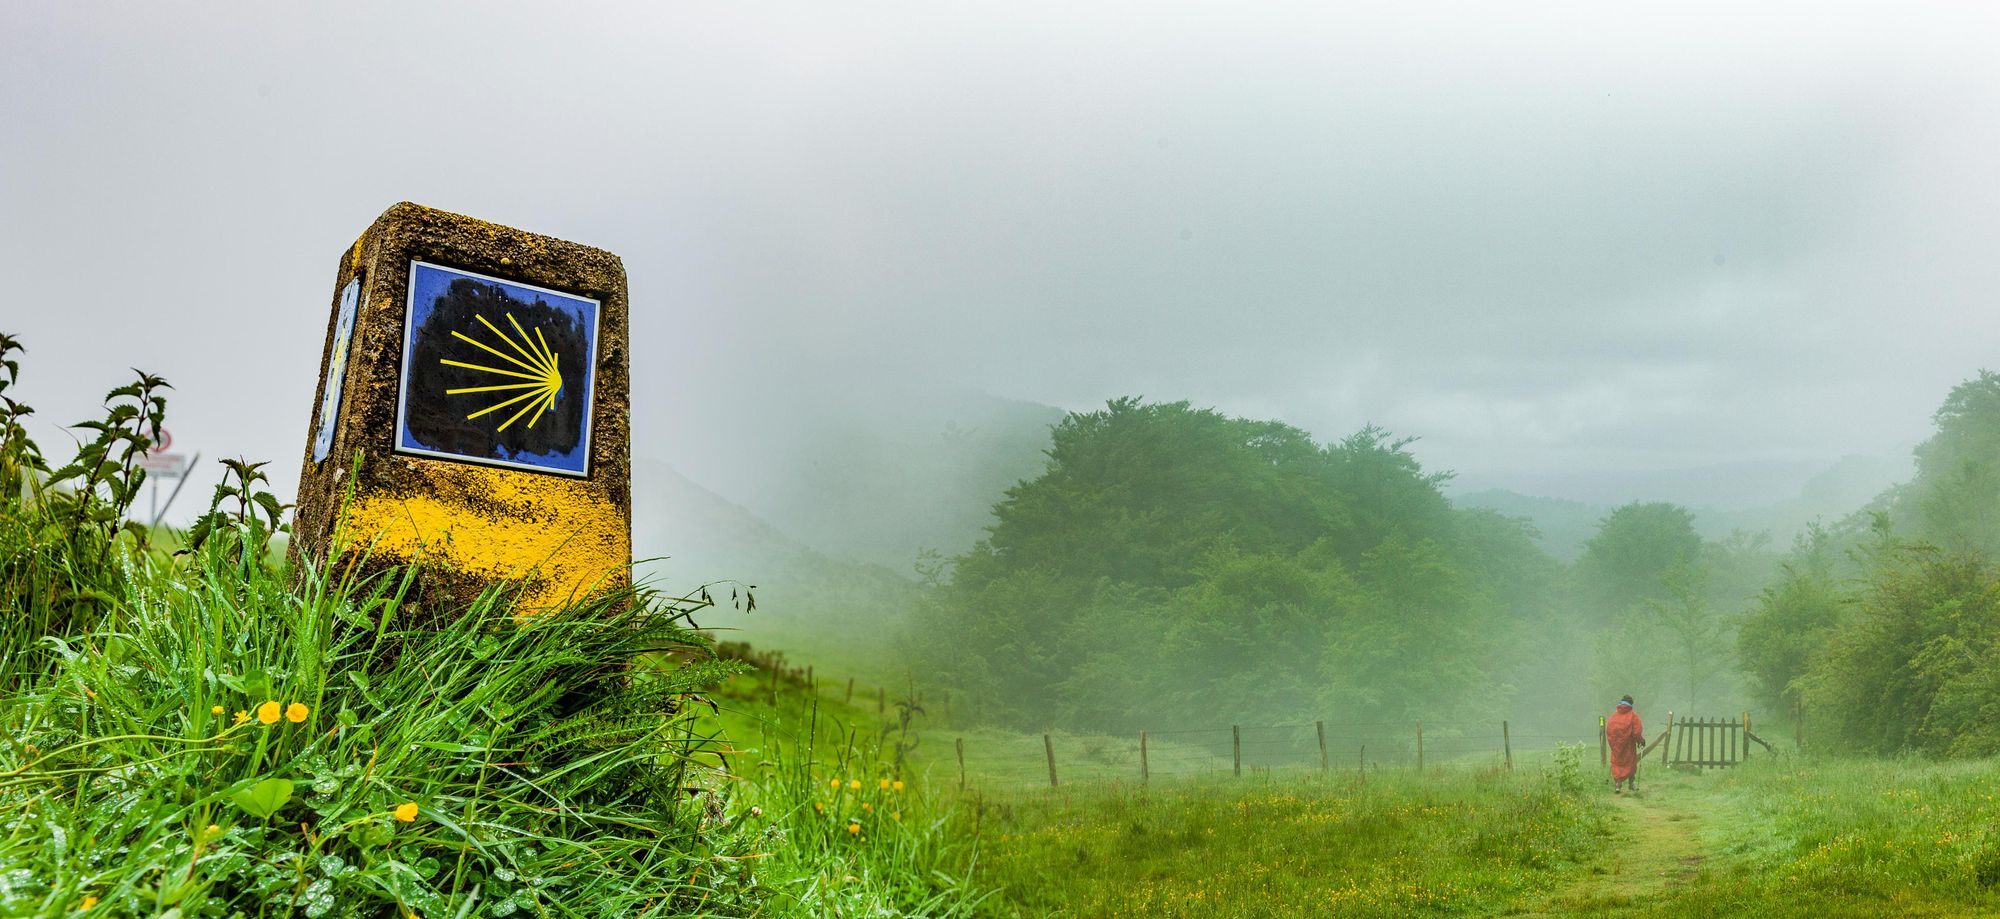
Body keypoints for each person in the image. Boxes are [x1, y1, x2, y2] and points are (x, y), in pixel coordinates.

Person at [1606, 695, 1645, 793]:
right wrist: (1641, 740)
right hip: (1628, 746)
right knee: (1630, 764)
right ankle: (1631, 784)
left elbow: (1609, 730)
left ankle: (1618, 785)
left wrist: (1614, 744)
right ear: (1631, 704)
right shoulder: (1633, 715)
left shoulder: (1613, 716)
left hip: (1616, 746)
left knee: (1617, 763)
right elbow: (1636, 732)